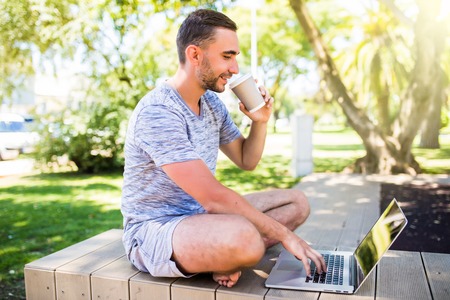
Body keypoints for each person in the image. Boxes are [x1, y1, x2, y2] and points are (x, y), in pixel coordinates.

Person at [121, 8, 326, 288]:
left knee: (296, 203)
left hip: (202, 218)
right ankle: (226, 252)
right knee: (245, 237)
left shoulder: (212, 105)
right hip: (154, 232)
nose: (234, 69)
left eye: (235, 57)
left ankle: (223, 254)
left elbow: (246, 160)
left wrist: (260, 121)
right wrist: (286, 236)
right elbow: (213, 198)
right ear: (195, 55)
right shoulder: (158, 112)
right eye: (227, 56)